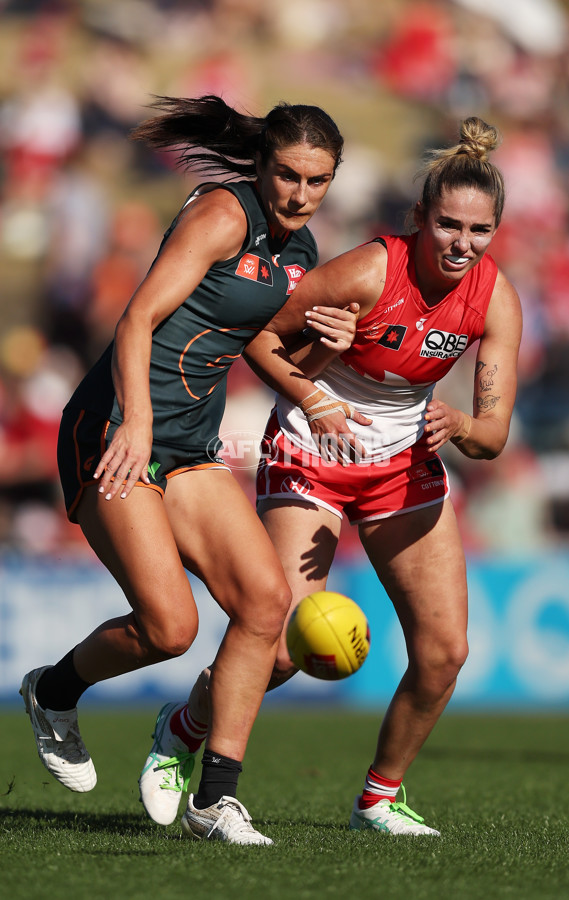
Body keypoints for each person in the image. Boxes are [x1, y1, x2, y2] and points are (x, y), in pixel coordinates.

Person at [139, 116, 522, 837]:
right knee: (279, 649)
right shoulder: (370, 269)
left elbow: (494, 432)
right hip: (313, 452)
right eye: (447, 224)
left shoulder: (495, 298)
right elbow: (259, 332)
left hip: (402, 464)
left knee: (445, 653)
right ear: (419, 218)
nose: (461, 243)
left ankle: (378, 799)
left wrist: (464, 427)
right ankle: (183, 730)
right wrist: (315, 388)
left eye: (479, 230)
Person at [20, 93, 362, 846]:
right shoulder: (222, 215)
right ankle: (53, 690)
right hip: (116, 428)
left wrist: (328, 349)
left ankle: (216, 799)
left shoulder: (299, 253)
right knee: (170, 628)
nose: (300, 193)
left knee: (266, 604)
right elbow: (138, 317)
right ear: (264, 165)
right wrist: (137, 424)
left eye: (318, 181)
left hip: (192, 447)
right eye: (288, 175)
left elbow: (265, 355)